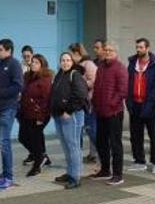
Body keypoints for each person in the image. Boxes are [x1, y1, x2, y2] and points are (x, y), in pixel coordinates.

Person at [0, 38, 24, 191]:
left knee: (4, 142)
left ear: (9, 50)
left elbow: (18, 86)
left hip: (8, 108)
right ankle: (4, 173)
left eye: (0, 49)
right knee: (2, 142)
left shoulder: (14, 65)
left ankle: (8, 177)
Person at [90, 42, 128, 185]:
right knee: (101, 142)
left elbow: (123, 91)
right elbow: (96, 88)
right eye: (105, 50)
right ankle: (105, 170)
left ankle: (118, 174)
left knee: (115, 143)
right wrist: (94, 103)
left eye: (110, 50)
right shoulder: (100, 67)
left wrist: (111, 103)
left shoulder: (120, 68)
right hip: (100, 112)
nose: (107, 52)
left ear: (116, 52)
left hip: (114, 112)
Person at [50, 52, 89, 189]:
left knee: (73, 147)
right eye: (63, 60)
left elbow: (80, 95)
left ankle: (76, 177)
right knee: (66, 146)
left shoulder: (75, 75)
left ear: (72, 62)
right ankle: (69, 172)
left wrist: (69, 111)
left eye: (68, 60)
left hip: (71, 116)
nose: (65, 62)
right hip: (59, 115)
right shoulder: (59, 75)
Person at [126, 38, 155, 174]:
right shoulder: (132, 63)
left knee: (154, 135)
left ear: (147, 48)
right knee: (135, 135)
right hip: (135, 104)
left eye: (141, 47)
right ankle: (139, 161)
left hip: (151, 106)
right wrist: (128, 102)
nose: (138, 49)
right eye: (137, 47)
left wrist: (150, 105)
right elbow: (128, 82)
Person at [19, 54, 53, 177]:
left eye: (36, 62)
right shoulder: (28, 76)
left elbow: (46, 101)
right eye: (32, 62)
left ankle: (37, 165)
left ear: (42, 65)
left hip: (39, 115)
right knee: (23, 137)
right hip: (26, 113)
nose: (33, 64)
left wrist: (40, 118)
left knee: (35, 139)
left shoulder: (45, 80)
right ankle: (42, 156)